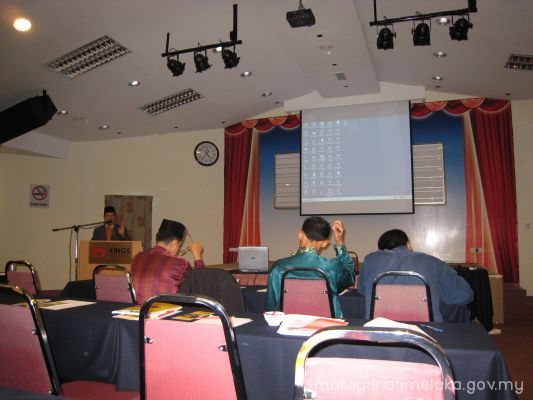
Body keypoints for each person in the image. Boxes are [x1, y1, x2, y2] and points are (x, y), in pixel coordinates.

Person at [358, 229, 473, 322]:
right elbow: (464, 295)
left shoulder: (370, 260)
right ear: (408, 245)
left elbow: (362, 290)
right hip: (425, 333)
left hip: (379, 331)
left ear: (381, 251)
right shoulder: (432, 262)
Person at [266, 217, 355, 318]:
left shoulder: (278, 267)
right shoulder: (333, 267)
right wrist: (340, 242)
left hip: (288, 324)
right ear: (325, 243)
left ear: (300, 234)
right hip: (326, 324)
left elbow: (271, 308)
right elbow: (350, 278)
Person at [131, 218, 204, 304]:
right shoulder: (180, 264)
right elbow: (200, 287)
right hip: (164, 311)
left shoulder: (137, 258)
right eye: (179, 246)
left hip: (138, 310)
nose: (178, 250)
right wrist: (197, 256)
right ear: (174, 244)